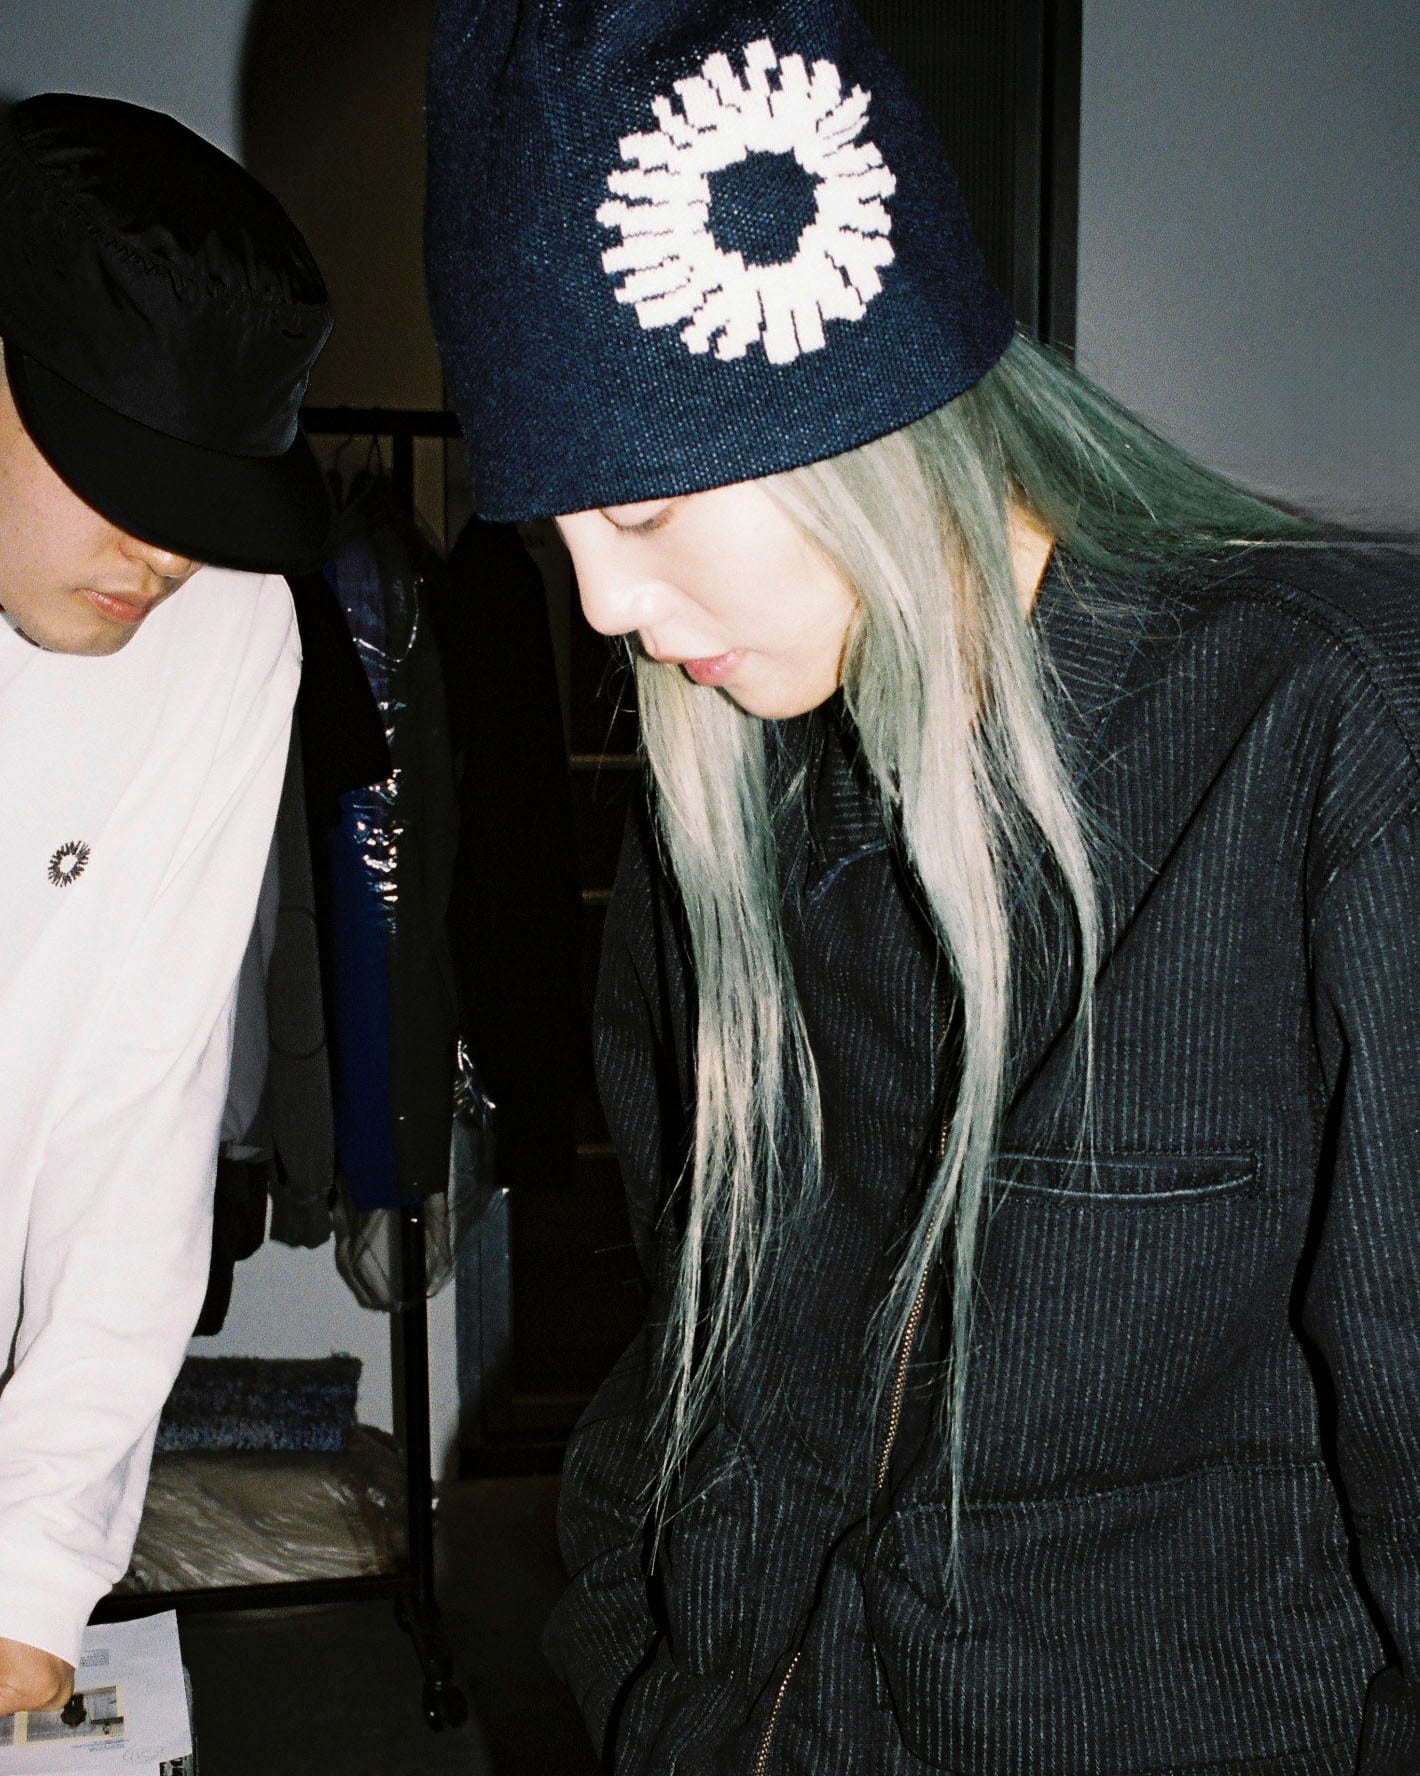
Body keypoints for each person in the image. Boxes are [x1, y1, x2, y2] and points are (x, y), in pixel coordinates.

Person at [426, 3, 1420, 1772]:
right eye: (554, 532)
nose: (602, 608)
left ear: (857, 422)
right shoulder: (739, 784)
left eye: (637, 513)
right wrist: (640, 1662)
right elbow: (692, 1336)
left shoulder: (1327, 739)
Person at [0, 94, 332, 1714]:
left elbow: (141, 1116)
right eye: (116, 473)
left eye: (203, 502)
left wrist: (34, 1564)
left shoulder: (226, 632)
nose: (165, 555)